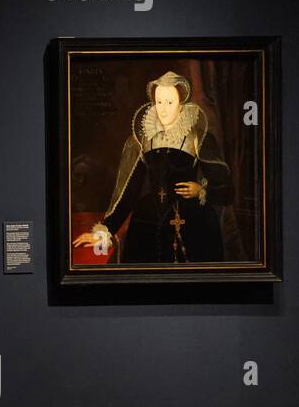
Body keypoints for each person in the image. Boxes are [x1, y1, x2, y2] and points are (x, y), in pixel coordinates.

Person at [73, 70, 233, 263]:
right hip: (149, 220)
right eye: (159, 102)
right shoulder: (144, 139)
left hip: (194, 220)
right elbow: (130, 191)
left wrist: (201, 190)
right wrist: (105, 230)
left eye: (170, 102)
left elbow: (226, 190)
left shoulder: (199, 137)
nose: (163, 109)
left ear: (181, 105)